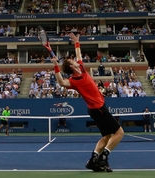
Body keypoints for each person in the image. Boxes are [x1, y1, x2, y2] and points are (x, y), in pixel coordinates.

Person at [52, 33, 123, 172]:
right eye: (72, 61)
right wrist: (55, 65)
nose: (75, 60)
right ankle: (104, 157)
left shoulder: (82, 69)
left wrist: (76, 42)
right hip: (98, 109)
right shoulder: (73, 81)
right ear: (72, 67)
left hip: (97, 108)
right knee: (119, 133)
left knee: (107, 136)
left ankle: (93, 161)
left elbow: (78, 56)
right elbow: (61, 82)